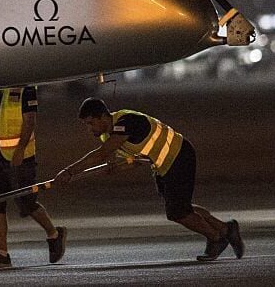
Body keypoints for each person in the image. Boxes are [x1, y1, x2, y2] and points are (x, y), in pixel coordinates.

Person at [59, 98, 243, 262]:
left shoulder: (125, 122)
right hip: (163, 164)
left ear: (102, 117)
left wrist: (69, 171)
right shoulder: (109, 134)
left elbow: (101, 154)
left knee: (177, 212)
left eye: (91, 123)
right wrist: (118, 167)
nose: (89, 128)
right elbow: (138, 158)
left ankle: (216, 238)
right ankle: (226, 229)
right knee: (181, 207)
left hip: (179, 156)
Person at [0, 86, 65, 269]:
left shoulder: (26, 88)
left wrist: (21, 150)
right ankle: (2, 253)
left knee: (26, 202)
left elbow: (30, 121)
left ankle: (54, 234)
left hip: (19, 155)